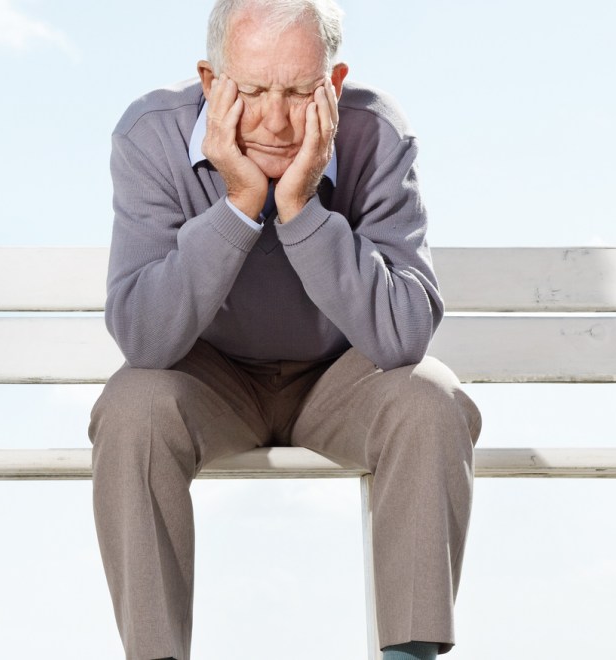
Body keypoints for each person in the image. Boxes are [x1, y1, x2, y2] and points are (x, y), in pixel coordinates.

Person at [87, 1, 483, 658]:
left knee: (430, 398)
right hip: (209, 378)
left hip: (340, 378)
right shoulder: (149, 136)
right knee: (133, 406)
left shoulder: (375, 133)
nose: (274, 121)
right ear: (211, 82)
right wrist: (240, 205)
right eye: (249, 92)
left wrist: (299, 208)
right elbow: (146, 339)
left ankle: (407, 656)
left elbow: (404, 334)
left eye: (301, 92)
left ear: (333, 83)